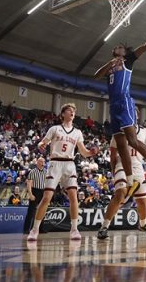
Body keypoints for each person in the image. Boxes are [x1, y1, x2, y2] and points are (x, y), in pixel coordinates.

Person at [93, 20, 146, 202]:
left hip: (125, 102)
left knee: (133, 141)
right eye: (116, 47)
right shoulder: (111, 66)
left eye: (121, 46)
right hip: (113, 106)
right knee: (120, 145)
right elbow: (96, 75)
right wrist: (111, 63)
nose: (118, 47)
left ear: (125, 52)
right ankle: (130, 180)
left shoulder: (129, 61)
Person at [26, 103, 98, 241]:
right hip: (55, 163)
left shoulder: (77, 132)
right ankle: (34, 229)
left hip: (69, 164)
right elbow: (43, 143)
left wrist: (91, 152)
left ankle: (74, 229)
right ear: (63, 114)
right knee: (47, 197)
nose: (72, 113)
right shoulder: (55, 129)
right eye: (69, 111)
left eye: (74, 111)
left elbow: (83, 152)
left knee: (73, 196)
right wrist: (41, 145)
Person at [98, 109, 146, 239]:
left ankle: (143, 224)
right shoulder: (119, 131)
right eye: (131, 112)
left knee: (142, 201)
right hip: (121, 165)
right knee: (120, 193)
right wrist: (113, 171)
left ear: (137, 116)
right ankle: (104, 226)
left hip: (138, 167)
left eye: (135, 113)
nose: (133, 114)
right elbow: (112, 154)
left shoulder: (145, 132)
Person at [24, 157, 47, 234]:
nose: (43, 163)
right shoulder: (32, 172)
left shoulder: (46, 172)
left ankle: (41, 228)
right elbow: (29, 183)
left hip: (42, 191)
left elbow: (46, 183)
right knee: (31, 211)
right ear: (38, 162)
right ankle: (26, 229)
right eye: (41, 161)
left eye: (44, 161)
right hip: (35, 191)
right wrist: (30, 194)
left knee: (42, 210)